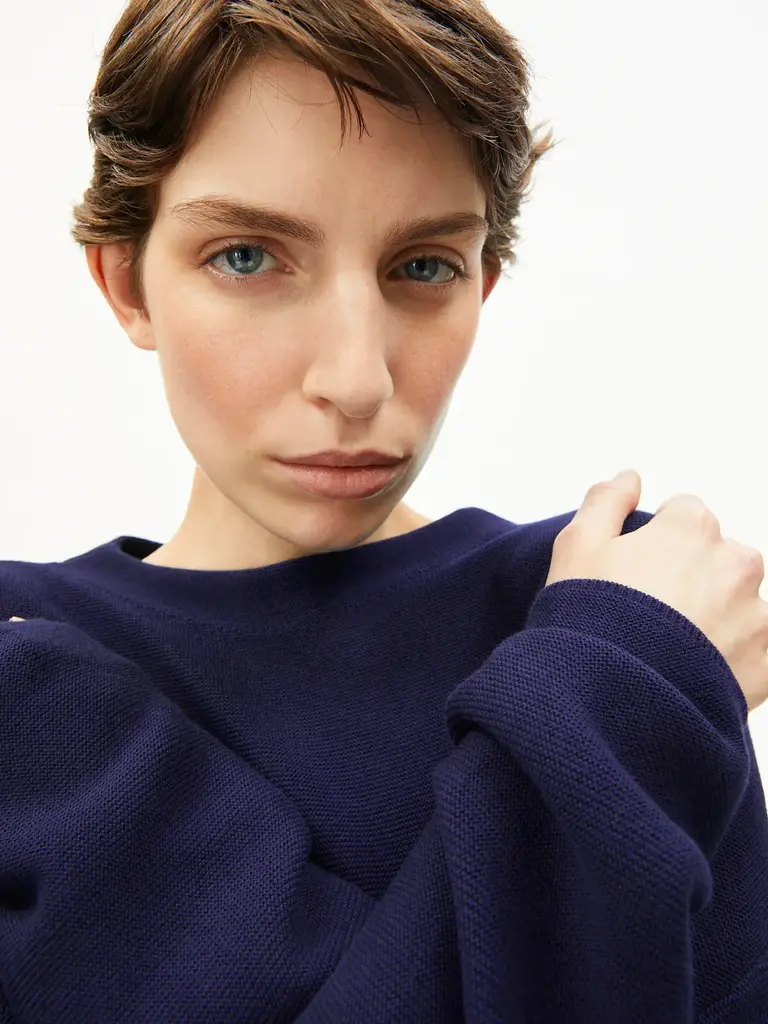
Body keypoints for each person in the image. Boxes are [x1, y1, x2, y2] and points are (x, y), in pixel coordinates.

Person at [0, 1, 766, 1021]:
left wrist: (622, 665)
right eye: (246, 256)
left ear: (483, 284)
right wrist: (617, 694)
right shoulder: (627, 654)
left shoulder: (606, 602)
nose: (357, 380)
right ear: (126, 282)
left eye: (423, 267)